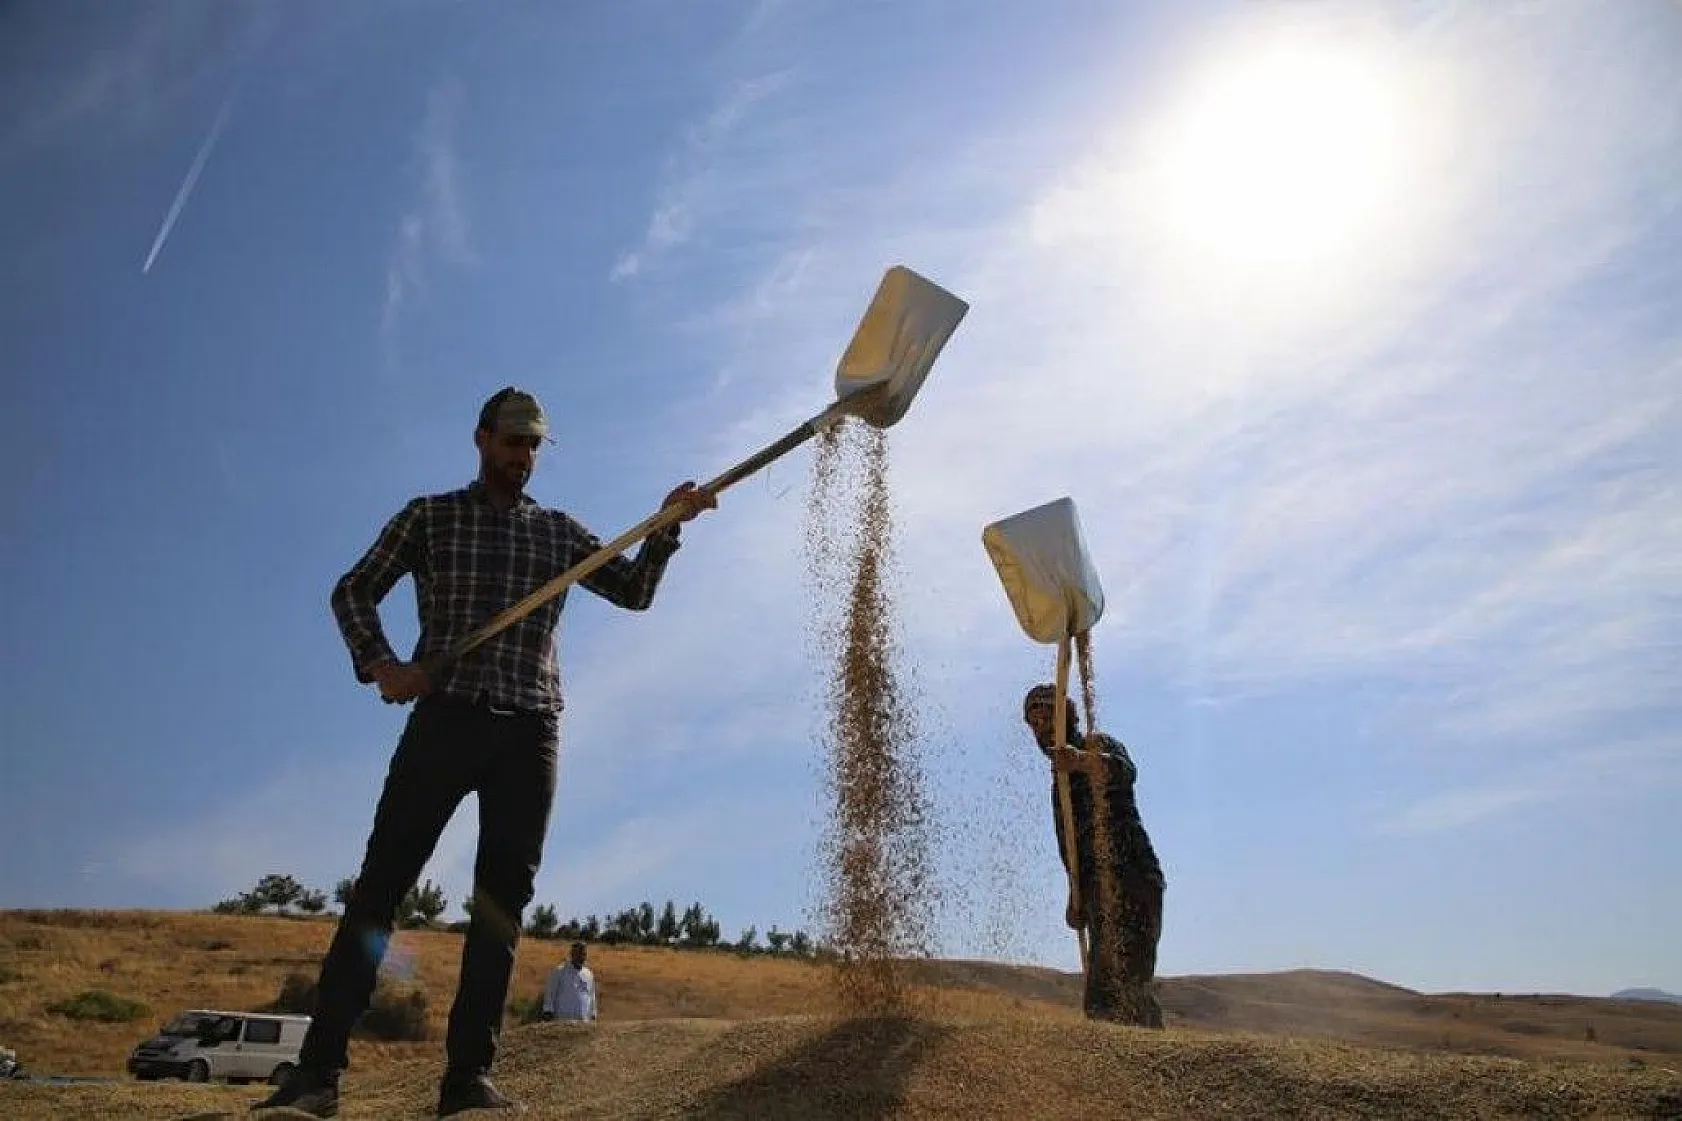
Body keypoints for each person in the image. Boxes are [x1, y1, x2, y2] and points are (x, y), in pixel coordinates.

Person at [256, 387, 715, 1118]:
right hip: (446, 716)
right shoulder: (431, 516)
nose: (521, 457)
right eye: (511, 442)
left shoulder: (558, 532)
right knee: (381, 888)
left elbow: (632, 592)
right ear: (481, 438)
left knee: (501, 907)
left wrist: (666, 528)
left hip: (530, 730)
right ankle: (317, 1077)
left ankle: (467, 1081)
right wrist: (384, 665)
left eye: (533, 445)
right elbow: (353, 590)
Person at [1023, 682, 1166, 1027]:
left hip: (1131, 877)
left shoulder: (1095, 744)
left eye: (1046, 713)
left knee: (1123, 987)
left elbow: (1124, 771)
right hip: (1098, 889)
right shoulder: (1059, 784)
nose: (1039, 725)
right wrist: (1077, 895)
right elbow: (1073, 846)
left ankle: (1151, 1064)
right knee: (1106, 993)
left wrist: (1082, 762)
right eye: (1033, 720)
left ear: (1067, 715)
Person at [542, 941, 597, 1022]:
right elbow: (550, 994)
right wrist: (548, 1011)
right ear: (572, 954)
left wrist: (593, 1014)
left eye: (584, 954)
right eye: (578, 954)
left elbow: (592, 996)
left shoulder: (589, 974)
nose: (581, 957)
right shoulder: (559, 971)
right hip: (563, 1020)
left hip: (584, 1020)